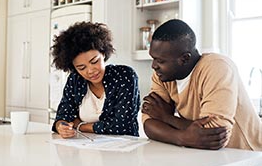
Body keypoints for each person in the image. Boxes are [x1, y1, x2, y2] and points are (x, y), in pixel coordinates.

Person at [142, 19, 262, 150]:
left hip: (247, 155)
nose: (154, 66)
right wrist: (181, 137)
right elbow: (149, 123)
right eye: (153, 58)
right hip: (206, 156)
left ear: (185, 58)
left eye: (160, 61)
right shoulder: (162, 75)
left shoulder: (217, 67)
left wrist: (167, 118)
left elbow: (215, 133)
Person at [51, 21, 140, 138]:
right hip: (83, 149)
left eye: (94, 61)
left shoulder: (124, 76)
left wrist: (80, 126)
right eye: (81, 68)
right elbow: (62, 117)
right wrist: (61, 127)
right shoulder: (75, 80)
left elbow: (122, 126)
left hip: (122, 149)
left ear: (103, 53)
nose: (90, 71)